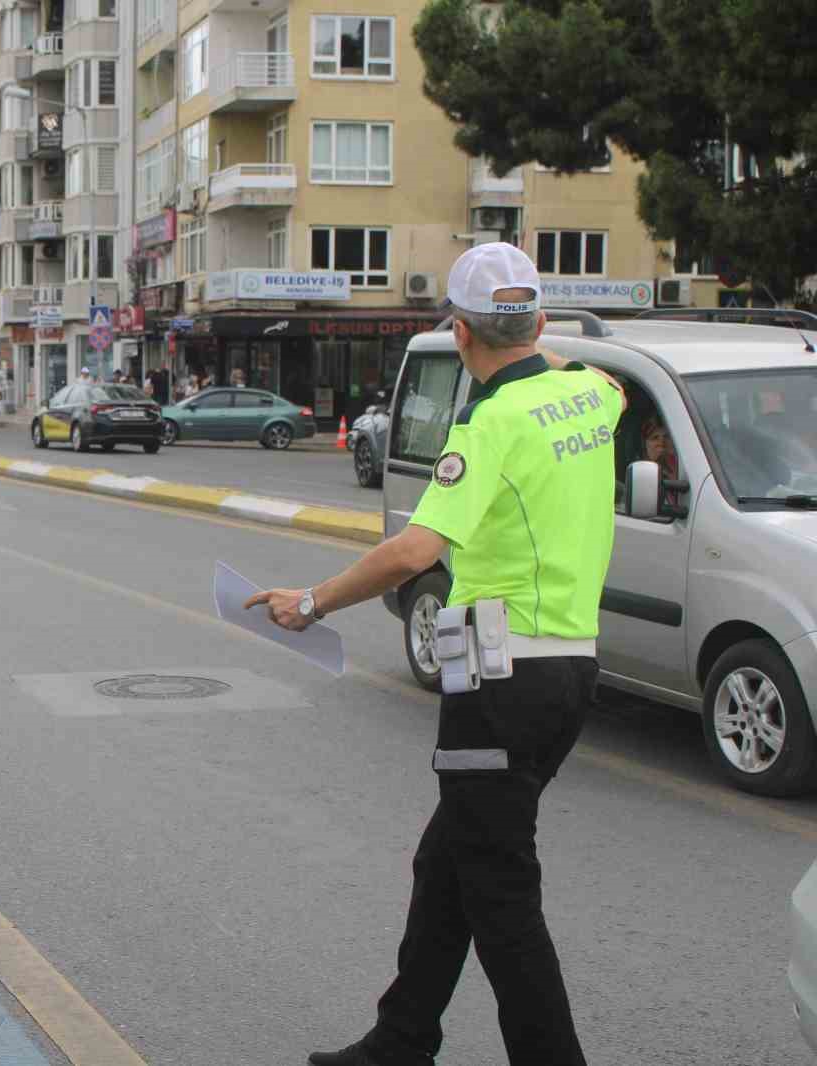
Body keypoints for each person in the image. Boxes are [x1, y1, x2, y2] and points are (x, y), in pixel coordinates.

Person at [244, 243, 626, 1066]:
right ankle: (402, 1038)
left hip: (500, 680)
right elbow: (609, 379)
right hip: (568, 673)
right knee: (448, 859)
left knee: (500, 893)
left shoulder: (492, 424)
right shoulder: (590, 395)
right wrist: (537, 348)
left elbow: (415, 549)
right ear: (539, 321)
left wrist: (310, 602)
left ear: (460, 334)